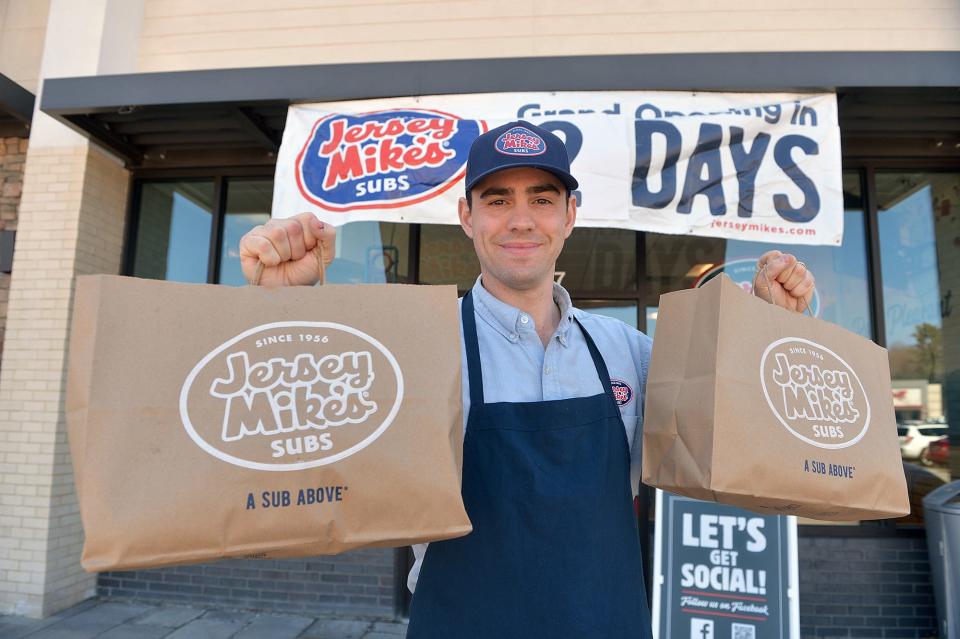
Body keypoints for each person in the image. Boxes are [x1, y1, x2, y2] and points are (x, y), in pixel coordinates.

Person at [239, 120, 816, 638]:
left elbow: (726, 451)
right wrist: (286, 310)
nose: (520, 219)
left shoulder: (629, 353)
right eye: (497, 199)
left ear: (570, 215)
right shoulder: (414, 350)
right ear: (467, 216)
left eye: (542, 198)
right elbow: (310, 456)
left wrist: (762, 336)